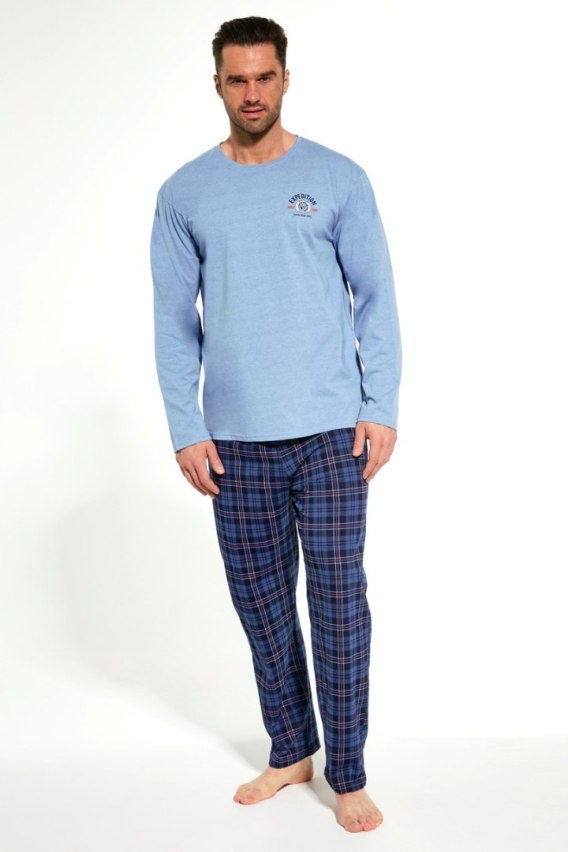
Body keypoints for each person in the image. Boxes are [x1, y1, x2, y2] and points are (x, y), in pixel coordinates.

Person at [150, 15, 402, 834]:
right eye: (238, 80)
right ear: (218, 85)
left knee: (337, 605)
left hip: (332, 434)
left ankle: (348, 771)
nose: (252, 93)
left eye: (265, 77)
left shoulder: (337, 177)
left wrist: (380, 406)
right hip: (233, 442)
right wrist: (186, 425)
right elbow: (173, 322)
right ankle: (291, 748)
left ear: (286, 79)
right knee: (261, 608)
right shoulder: (184, 193)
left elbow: (376, 298)